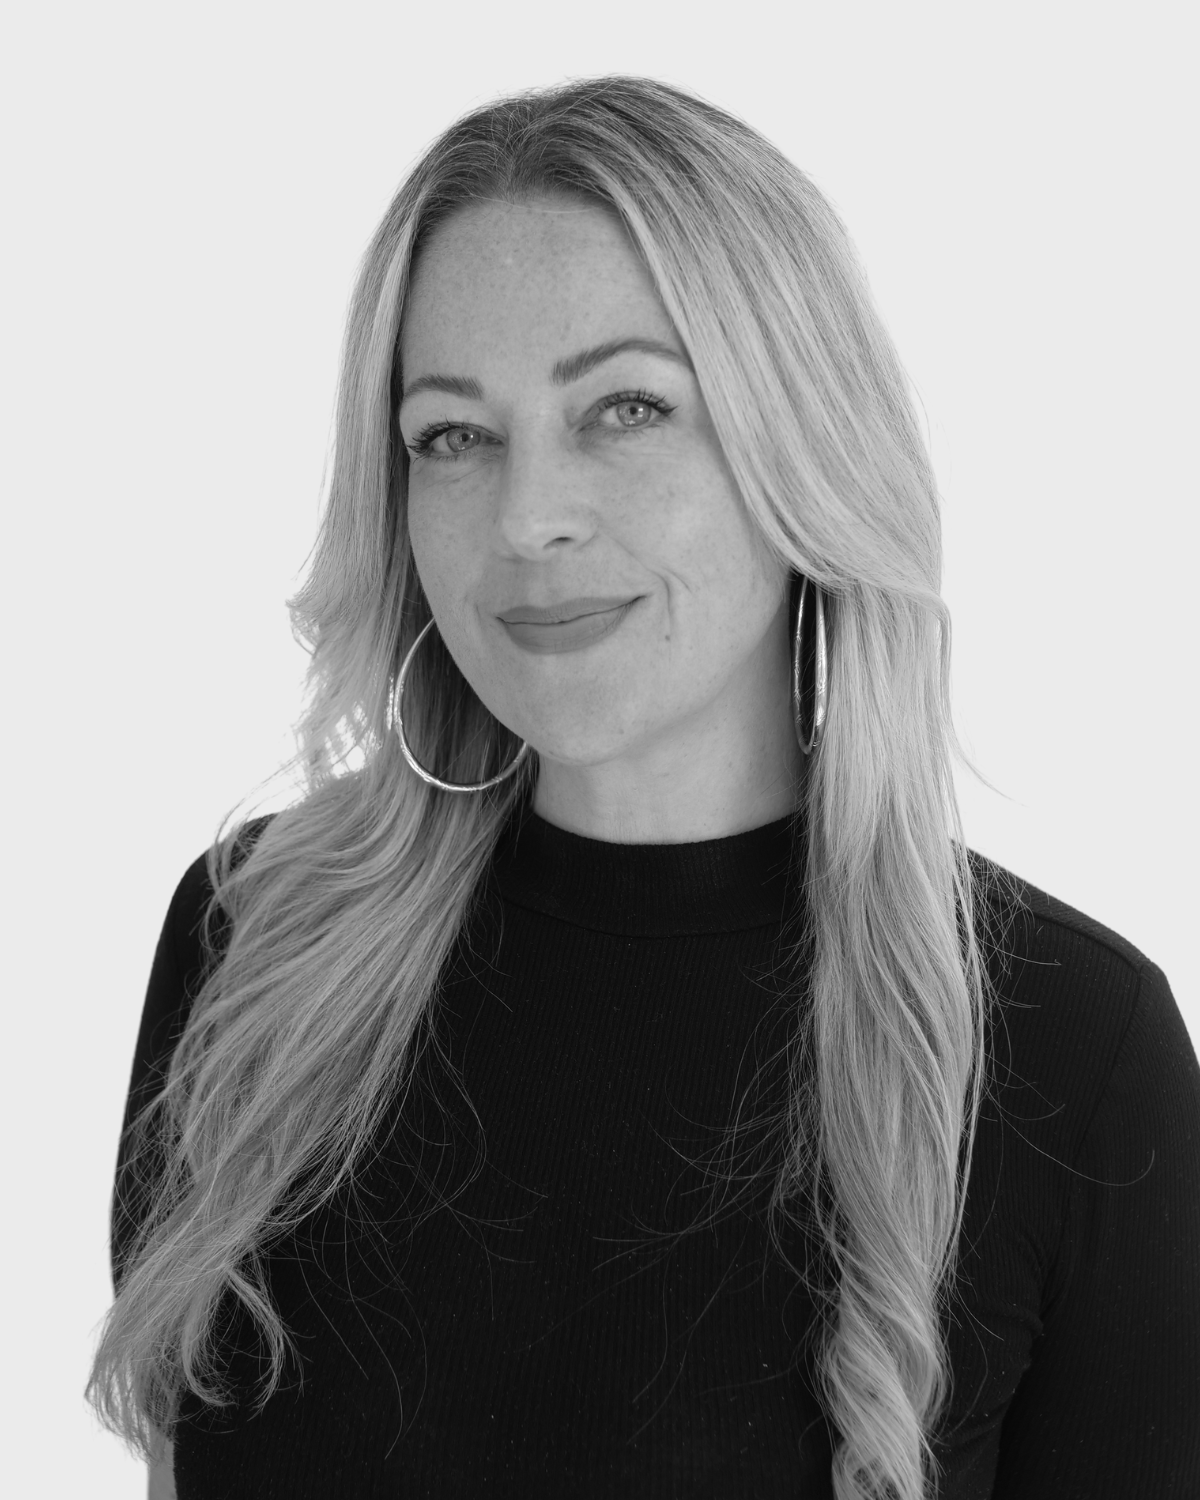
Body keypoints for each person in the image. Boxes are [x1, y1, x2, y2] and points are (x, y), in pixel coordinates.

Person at [86, 76, 1200, 1500]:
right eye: (451, 433)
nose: (529, 514)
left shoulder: (1067, 1055)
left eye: (625, 407)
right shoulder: (259, 949)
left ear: (801, 443)